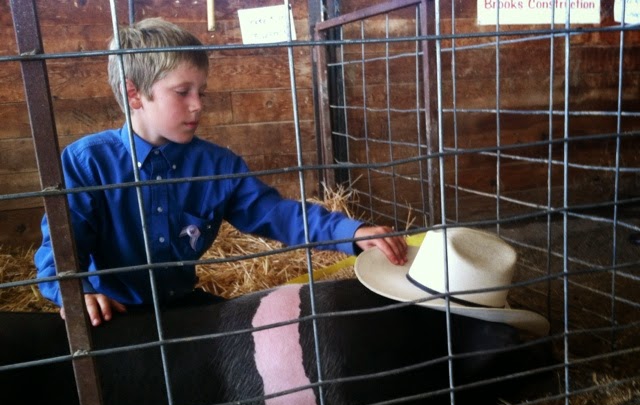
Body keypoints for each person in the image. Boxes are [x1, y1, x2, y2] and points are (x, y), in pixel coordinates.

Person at [34, 17, 408, 327]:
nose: (198, 105)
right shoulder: (87, 163)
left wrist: (350, 232)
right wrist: (76, 293)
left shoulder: (216, 165)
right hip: (113, 314)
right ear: (135, 95)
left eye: (202, 92)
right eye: (182, 92)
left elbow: (275, 213)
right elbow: (61, 252)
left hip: (182, 306)